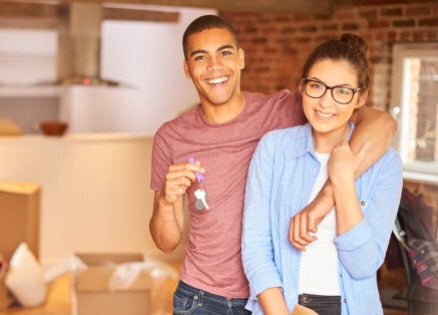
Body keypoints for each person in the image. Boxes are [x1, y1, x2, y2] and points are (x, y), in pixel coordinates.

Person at [149, 14, 397, 315]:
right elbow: (166, 243)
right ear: (187, 68)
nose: (214, 66)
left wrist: (327, 197)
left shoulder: (284, 109)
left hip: (272, 296)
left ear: (241, 58)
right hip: (203, 296)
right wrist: (165, 201)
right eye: (201, 57)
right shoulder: (172, 136)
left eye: (224, 52)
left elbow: (380, 122)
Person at [241, 33, 403, 314]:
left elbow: (364, 265)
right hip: (283, 306)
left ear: (360, 98)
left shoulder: (385, 164)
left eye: (342, 91)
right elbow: (256, 249)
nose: (325, 103)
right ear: (302, 87)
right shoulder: (274, 148)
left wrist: (342, 181)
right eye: (316, 86)